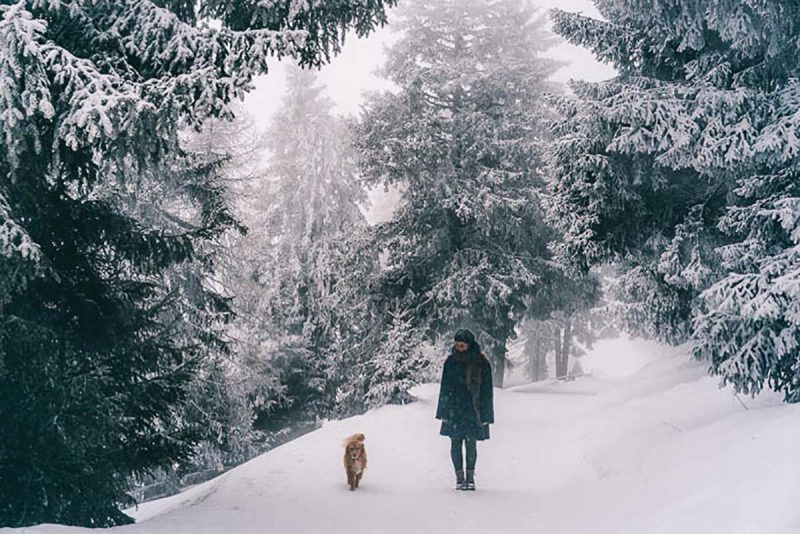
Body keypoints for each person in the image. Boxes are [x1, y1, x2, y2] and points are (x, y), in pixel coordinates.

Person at [435, 328, 494, 491]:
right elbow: (444, 388)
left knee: (471, 444)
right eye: (457, 345)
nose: (459, 348)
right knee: (455, 443)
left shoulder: (481, 362)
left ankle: (470, 478)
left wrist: (486, 415)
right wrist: (443, 412)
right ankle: (459, 477)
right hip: (454, 409)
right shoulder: (450, 362)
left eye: (462, 345)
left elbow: (487, 392)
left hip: (473, 410)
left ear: (469, 344)